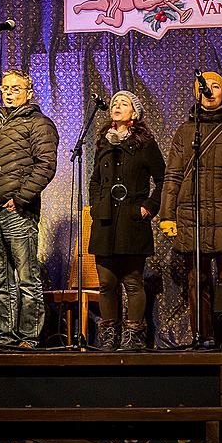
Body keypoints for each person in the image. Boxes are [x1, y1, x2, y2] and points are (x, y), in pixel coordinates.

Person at [160, 72, 222, 346]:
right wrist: (167, 215)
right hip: (192, 215)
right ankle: (202, 336)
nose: (210, 90)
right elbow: (172, 176)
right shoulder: (185, 131)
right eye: (205, 86)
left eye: (216, 86)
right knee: (197, 280)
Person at [0, 69, 59, 348]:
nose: (9, 93)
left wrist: (20, 199)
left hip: (17, 212)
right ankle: (4, 338)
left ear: (28, 93)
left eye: (15, 88)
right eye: (5, 88)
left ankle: (28, 338)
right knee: (0, 282)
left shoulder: (39, 123)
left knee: (25, 278)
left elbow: (45, 165)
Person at [88, 90, 165, 350]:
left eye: (124, 103)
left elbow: (164, 179)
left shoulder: (145, 143)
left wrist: (148, 207)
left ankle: (134, 334)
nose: (117, 106)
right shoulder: (103, 142)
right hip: (106, 220)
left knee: (132, 281)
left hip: (133, 219)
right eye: (114, 103)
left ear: (135, 113)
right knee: (107, 282)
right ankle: (109, 333)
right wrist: (96, 207)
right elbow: (95, 180)